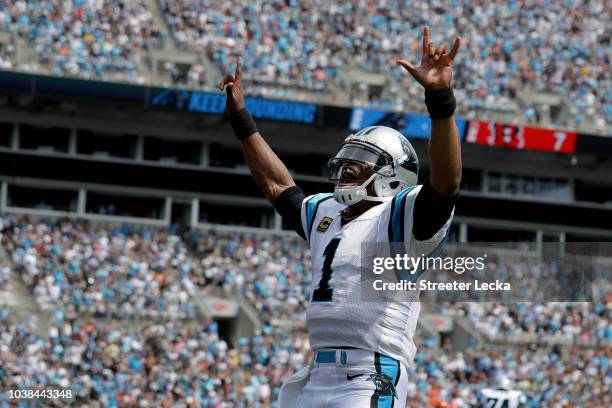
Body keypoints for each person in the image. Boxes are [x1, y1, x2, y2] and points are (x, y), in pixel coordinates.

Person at [220, 25, 462, 408]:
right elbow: (277, 185)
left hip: (372, 373)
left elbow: (447, 182)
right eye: (350, 158)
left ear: (393, 176)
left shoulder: (401, 217)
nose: (349, 168)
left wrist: (440, 98)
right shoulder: (326, 212)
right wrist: (242, 121)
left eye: (364, 162)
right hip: (317, 373)